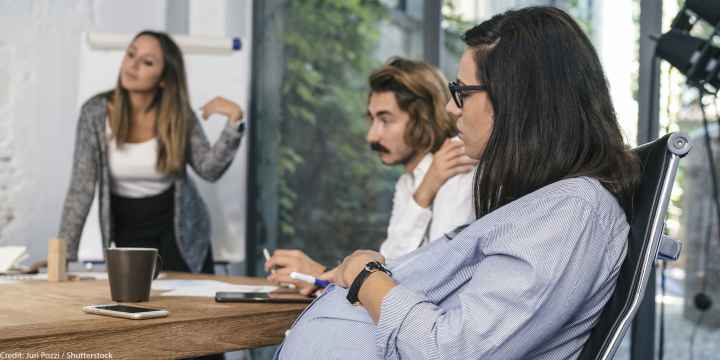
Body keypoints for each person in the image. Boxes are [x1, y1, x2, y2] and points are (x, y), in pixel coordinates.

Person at [276, 6, 640, 360]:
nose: (451, 109)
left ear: (516, 101)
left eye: (462, 93)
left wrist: (365, 277)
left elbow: (449, 350)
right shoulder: (538, 206)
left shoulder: (570, 213)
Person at [265, 58, 478, 294]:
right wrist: (322, 275)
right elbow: (387, 267)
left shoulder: (456, 172)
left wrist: (323, 274)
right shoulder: (409, 182)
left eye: (385, 120)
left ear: (423, 119)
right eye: (372, 119)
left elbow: (429, 281)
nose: (372, 136)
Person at [58, 30, 245, 274]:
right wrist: (62, 256)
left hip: (178, 230)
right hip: (128, 229)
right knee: (138, 302)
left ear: (164, 78)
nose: (132, 65)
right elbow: (81, 188)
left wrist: (234, 123)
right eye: (131, 54)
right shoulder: (95, 113)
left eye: (147, 62)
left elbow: (209, 169)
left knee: (190, 306)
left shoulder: (179, 114)